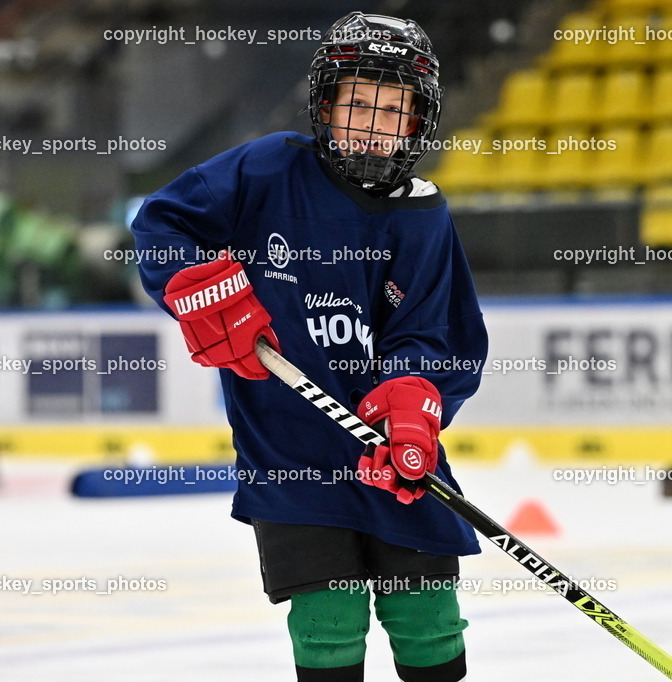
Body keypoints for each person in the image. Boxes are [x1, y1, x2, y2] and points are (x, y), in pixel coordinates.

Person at [133, 12, 487, 681]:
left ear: (417, 121)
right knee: (328, 623)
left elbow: (440, 334)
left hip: (390, 460)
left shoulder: (423, 212)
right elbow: (164, 224)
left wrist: (414, 400)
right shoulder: (266, 170)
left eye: (393, 109)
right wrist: (198, 287)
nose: (372, 122)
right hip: (290, 460)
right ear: (326, 103)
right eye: (357, 102)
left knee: (427, 615)